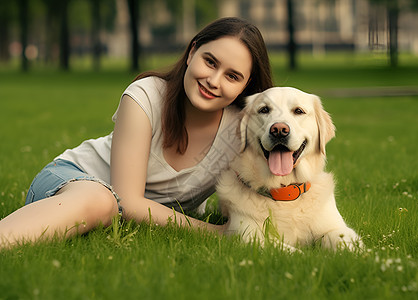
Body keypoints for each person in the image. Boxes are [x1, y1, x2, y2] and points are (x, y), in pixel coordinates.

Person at [0, 17, 273, 248]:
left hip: (107, 211)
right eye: (210, 62)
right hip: (69, 182)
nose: (213, 81)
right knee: (102, 201)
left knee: (105, 207)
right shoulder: (146, 95)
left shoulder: (243, 129)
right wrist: (213, 232)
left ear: (247, 86)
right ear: (192, 53)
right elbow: (127, 202)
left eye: (232, 76)